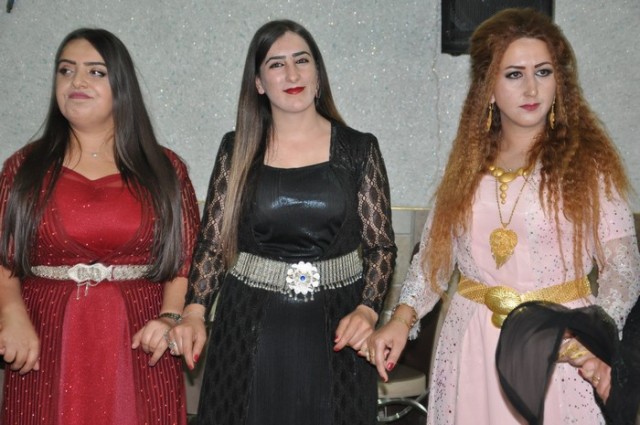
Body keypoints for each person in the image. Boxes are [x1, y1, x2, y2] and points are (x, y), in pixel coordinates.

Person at [367, 8, 640, 425]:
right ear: (489, 89)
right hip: (471, 344)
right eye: (514, 74)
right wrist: (401, 321)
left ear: (559, 82)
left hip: (558, 347)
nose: (531, 87)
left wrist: (592, 334)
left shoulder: (589, 167)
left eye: (543, 72)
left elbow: (623, 266)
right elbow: (433, 261)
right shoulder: (465, 168)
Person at [169, 19, 396, 425]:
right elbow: (213, 244)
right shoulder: (236, 148)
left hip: (339, 328)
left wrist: (367, 310)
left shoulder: (359, 149)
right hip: (247, 324)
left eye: (301, 61)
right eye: (276, 64)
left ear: (318, 74)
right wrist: (194, 311)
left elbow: (381, 248)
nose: (292, 74)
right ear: (258, 83)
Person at [0, 28, 200, 424]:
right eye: (66, 70)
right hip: (44, 337)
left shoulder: (165, 168)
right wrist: (11, 313)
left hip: (143, 341)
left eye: (95, 72)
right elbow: (4, 255)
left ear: (122, 86)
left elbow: (186, 260)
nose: (76, 81)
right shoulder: (22, 168)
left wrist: (171, 317)